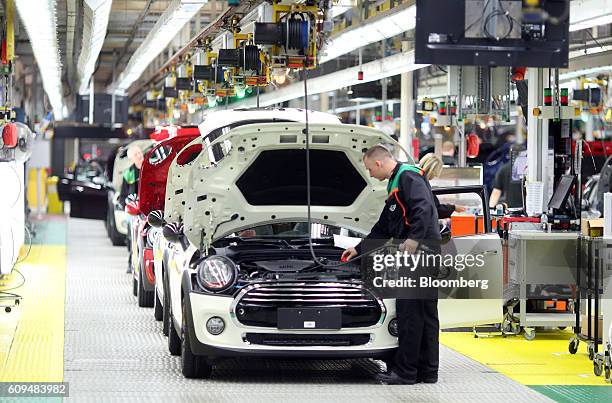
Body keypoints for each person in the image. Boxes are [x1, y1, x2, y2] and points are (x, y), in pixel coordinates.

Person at [342, 145, 441, 385]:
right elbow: (384, 225)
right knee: (426, 313)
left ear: (378, 163)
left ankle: (405, 373)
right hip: (426, 251)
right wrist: (359, 248)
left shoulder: (407, 176)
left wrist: (413, 240)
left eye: (368, 169)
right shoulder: (398, 182)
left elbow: (424, 208)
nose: (369, 174)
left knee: (410, 313)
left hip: (419, 252)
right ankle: (427, 372)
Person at [419, 153, 467, 218]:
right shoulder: (421, 183)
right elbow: (436, 209)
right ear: (431, 169)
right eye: (436, 172)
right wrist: (453, 208)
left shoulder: (420, 180)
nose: (436, 175)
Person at [120, 144, 144, 273]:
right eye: (136, 155)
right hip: (133, 212)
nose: (139, 156)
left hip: (146, 210)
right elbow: (122, 195)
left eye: (140, 153)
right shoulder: (128, 174)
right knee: (132, 239)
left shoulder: (150, 168)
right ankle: (131, 263)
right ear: (131, 159)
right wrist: (126, 203)